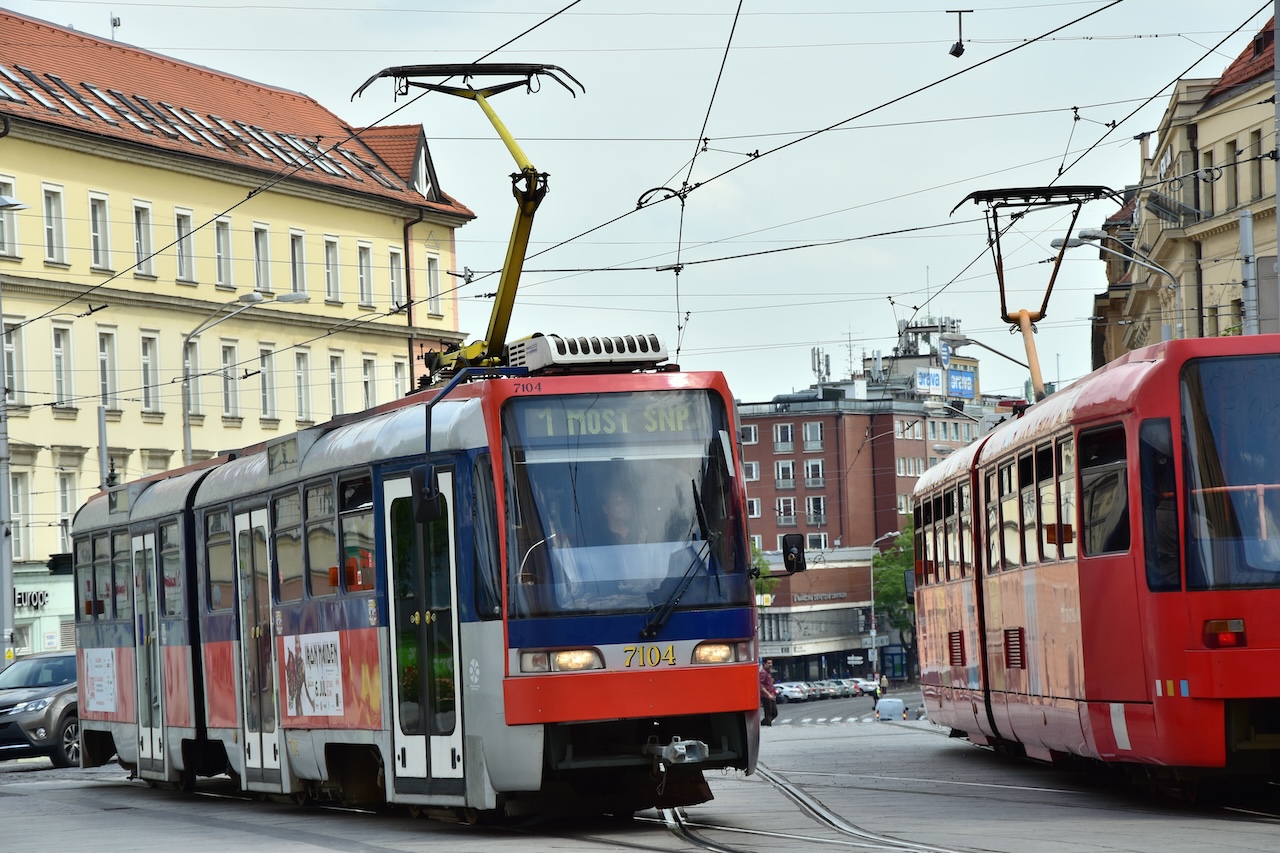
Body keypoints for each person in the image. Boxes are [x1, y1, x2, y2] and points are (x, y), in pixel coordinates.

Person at [759, 659, 778, 726]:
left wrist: (773, 693)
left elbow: (770, 685)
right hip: (766, 696)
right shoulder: (763, 673)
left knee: (774, 713)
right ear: (764, 664)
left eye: (771, 663)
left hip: (771, 695)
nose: (770, 665)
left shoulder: (769, 672)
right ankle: (767, 725)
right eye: (768, 663)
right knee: (769, 714)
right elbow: (760, 685)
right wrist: (768, 694)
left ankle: (763, 723)